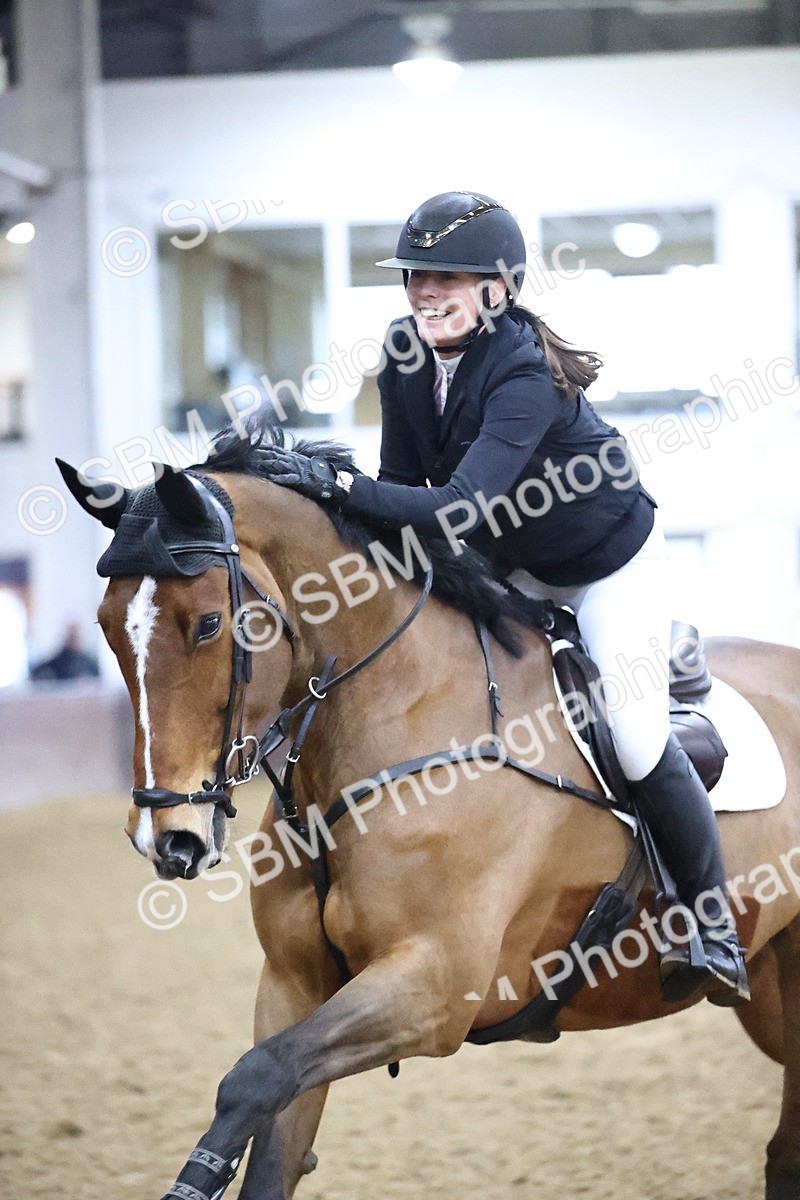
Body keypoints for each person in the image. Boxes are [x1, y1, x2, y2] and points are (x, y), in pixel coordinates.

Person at [265, 190, 748, 1006]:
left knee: (633, 735)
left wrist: (334, 483)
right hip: (508, 565)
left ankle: (711, 925)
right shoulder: (404, 354)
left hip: (606, 566)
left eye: (445, 277)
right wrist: (335, 502)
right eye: (414, 276)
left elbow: (456, 507)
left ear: (498, 288)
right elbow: (399, 485)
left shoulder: (524, 372)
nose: (423, 292)